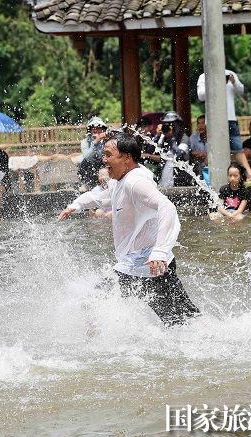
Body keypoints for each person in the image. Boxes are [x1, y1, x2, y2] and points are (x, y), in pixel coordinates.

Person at [61, 132, 200, 326]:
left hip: (152, 266)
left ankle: (98, 349)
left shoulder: (136, 182)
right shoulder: (120, 179)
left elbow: (167, 207)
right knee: (180, 323)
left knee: (184, 323)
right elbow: (106, 196)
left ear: (126, 157)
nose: (104, 159)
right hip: (137, 265)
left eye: (108, 154)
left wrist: (159, 251)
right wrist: (76, 205)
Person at [197, 69, 251, 183]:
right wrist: (215, 83)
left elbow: (241, 91)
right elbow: (201, 96)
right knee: (214, 150)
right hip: (213, 120)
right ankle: (211, 177)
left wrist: (234, 81)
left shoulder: (230, 73)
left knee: (238, 149)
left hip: (230, 118)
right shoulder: (204, 76)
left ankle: (249, 174)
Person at [154, 111, 191, 187]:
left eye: (172, 124)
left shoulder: (183, 138)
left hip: (179, 183)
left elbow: (179, 155)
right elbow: (154, 152)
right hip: (163, 182)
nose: (168, 127)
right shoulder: (164, 138)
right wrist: (158, 136)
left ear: (178, 125)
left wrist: (172, 139)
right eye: (166, 124)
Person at [77, 116, 108, 189]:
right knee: (84, 163)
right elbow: (88, 157)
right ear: (89, 130)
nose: (96, 130)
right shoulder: (85, 142)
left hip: (102, 165)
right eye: (93, 128)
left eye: (99, 128)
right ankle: (87, 185)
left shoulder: (106, 140)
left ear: (103, 130)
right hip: (88, 166)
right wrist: (95, 142)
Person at [189, 114, 209, 181]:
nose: (200, 126)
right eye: (199, 123)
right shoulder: (193, 137)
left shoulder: (214, 137)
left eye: (203, 123)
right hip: (199, 167)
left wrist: (207, 155)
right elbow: (189, 151)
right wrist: (196, 153)